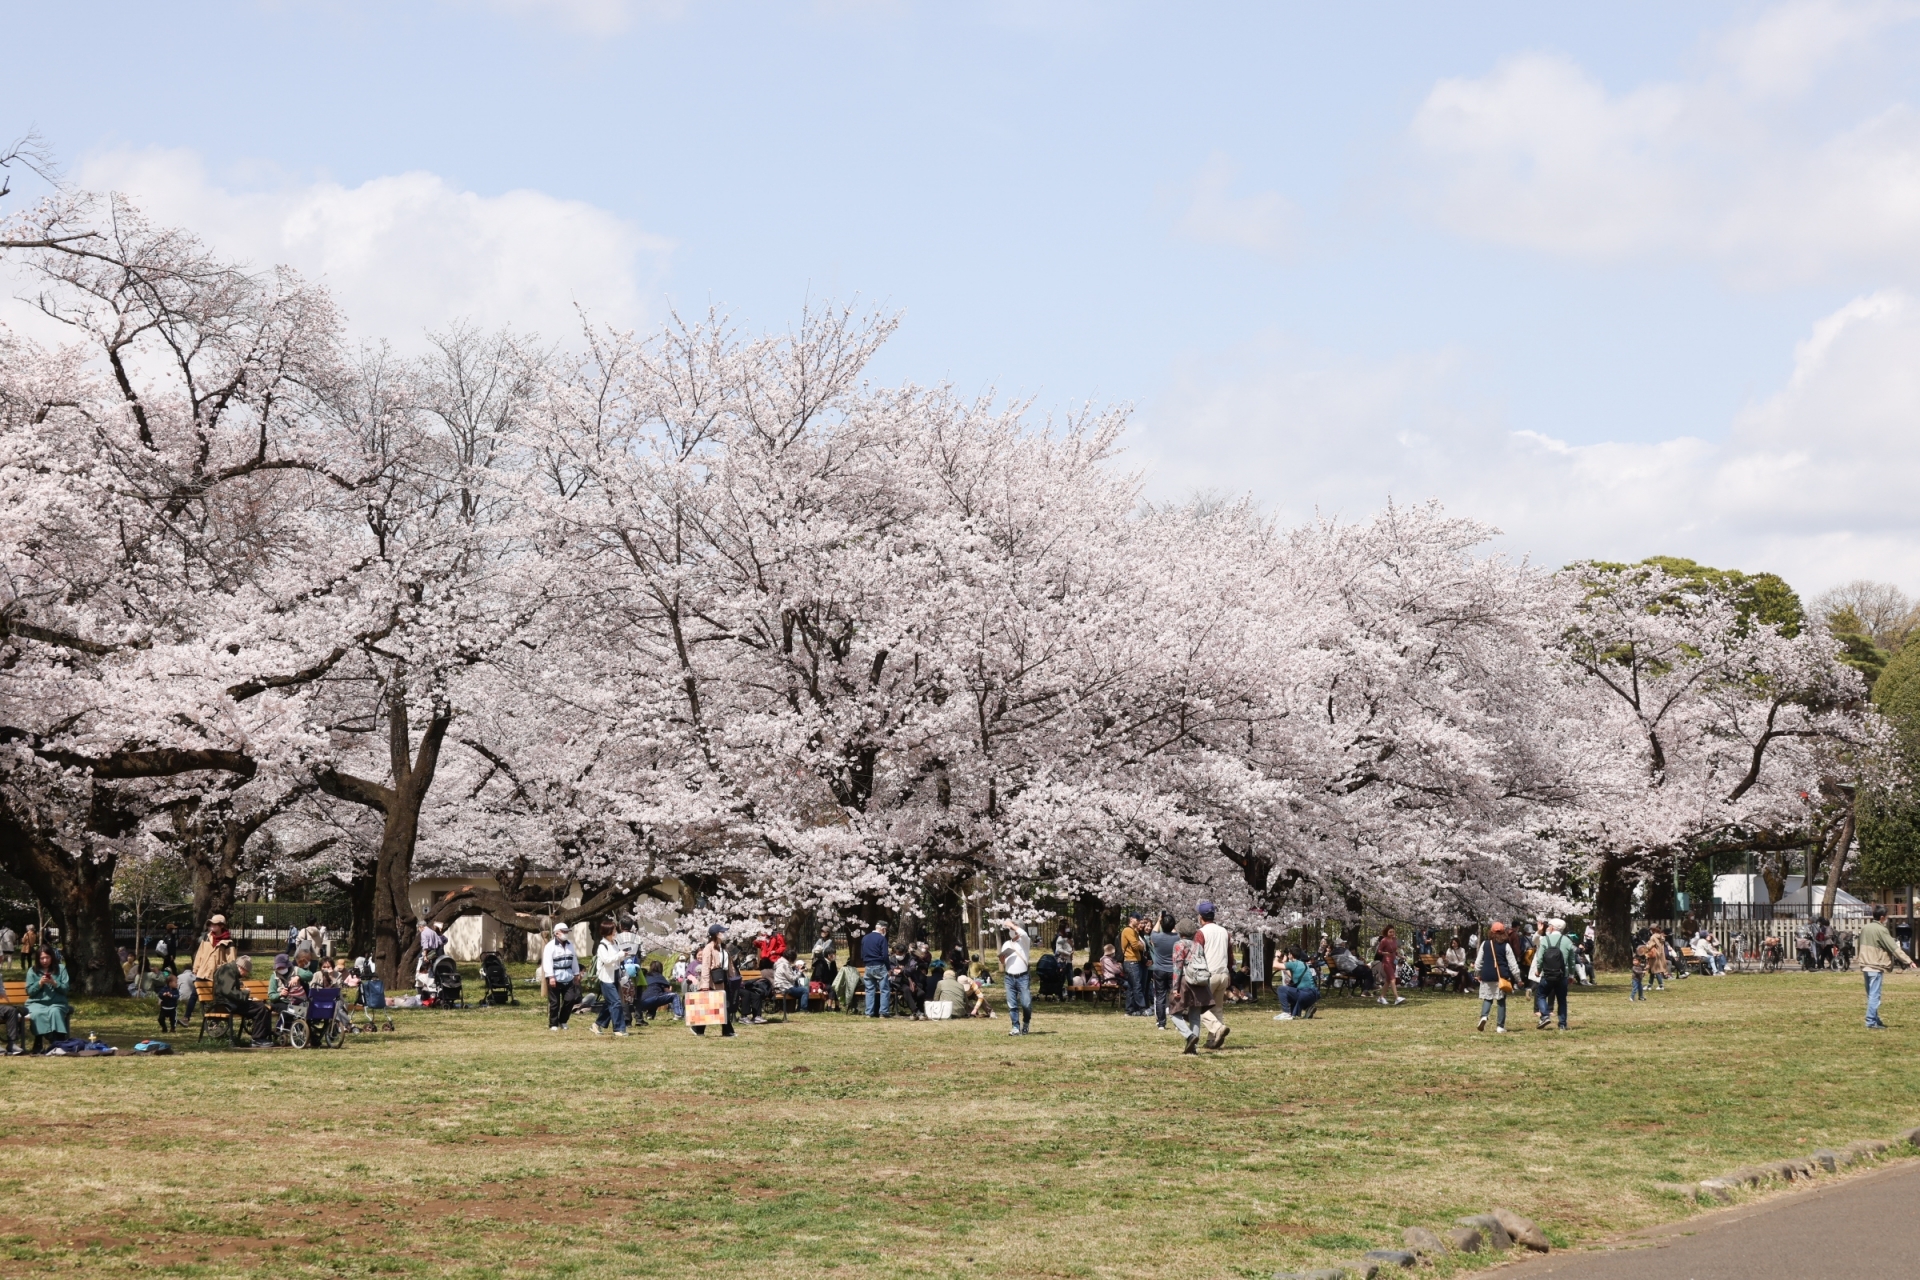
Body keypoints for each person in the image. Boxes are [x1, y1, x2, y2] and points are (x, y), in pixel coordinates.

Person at [1169, 917, 1227, 1053]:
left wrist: (1175, 988)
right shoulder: (1198, 945)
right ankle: (1192, 1049)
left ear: (1180, 932)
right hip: (1199, 982)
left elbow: (1177, 967)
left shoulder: (1179, 945)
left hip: (1184, 981)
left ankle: (1190, 1036)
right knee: (1195, 1015)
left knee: (1173, 1013)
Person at [1857, 905, 1913, 1029]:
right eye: (1886, 916)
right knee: (1874, 995)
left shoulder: (1865, 928)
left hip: (1865, 964)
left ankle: (1875, 1019)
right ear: (1882, 917)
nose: (1887, 918)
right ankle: (1871, 1022)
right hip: (1876, 965)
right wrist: (1908, 960)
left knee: (1871, 994)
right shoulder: (1881, 929)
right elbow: (1893, 947)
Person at [212, 953, 272, 1047]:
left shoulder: (230, 971)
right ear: (241, 968)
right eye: (246, 971)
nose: (246, 974)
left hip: (229, 1002)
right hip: (225, 1004)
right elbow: (228, 992)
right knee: (260, 1008)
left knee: (262, 1007)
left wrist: (249, 998)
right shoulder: (228, 971)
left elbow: (231, 992)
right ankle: (257, 1039)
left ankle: (264, 1037)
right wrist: (245, 993)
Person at [1529, 917, 1576, 1030]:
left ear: (1552, 927)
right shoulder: (1567, 941)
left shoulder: (1545, 940)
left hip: (1547, 974)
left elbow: (1540, 958)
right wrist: (1571, 975)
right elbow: (1572, 961)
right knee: (1562, 1000)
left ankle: (1545, 1015)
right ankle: (1563, 1024)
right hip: (1562, 975)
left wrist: (1539, 970)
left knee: (1541, 995)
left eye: (1549, 926)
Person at [1195, 901, 1231, 1047]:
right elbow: (1230, 954)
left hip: (1208, 974)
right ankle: (1212, 1040)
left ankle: (1217, 1028)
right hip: (1223, 973)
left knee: (1198, 1007)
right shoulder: (1224, 931)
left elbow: (1196, 954)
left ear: (1201, 917)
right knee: (1217, 1008)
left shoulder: (1201, 933)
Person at [1475, 923, 1521, 1034]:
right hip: (1501, 976)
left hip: (1486, 975)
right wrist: (1518, 979)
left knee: (1488, 998)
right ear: (1503, 933)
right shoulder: (1506, 946)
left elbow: (1478, 962)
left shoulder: (1485, 944)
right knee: (1501, 1001)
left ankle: (1484, 1016)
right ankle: (1500, 1026)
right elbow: (1513, 964)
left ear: (1491, 932)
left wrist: (1477, 973)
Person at [694, 923, 737, 1037]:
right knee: (712, 1005)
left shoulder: (723, 947)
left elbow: (729, 964)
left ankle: (700, 1029)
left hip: (724, 978)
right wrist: (705, 984)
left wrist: (733, 977)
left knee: (720, 1005)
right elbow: (705, 966)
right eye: (721, 932)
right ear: (716, 934)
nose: (724, 934)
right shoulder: (709, 947)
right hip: (713, 980)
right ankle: (725, 1031)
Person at [539, 922, 582, 1031]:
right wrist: (551, 977)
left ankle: (563, 1020)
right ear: (556, 933)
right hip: (555, 976)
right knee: (555, 1003)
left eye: (567, 932)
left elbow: (574, 959)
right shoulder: (550, 946)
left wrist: (576, 973)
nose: (566, 934)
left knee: (570, 999)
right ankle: (553, 1023)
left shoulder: (570, 945)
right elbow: (547, 962)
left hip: (568, 976)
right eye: (564, 932)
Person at [592, 919, 630, 1037]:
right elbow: (607, 961)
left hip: (615, 975)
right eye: (613, 930)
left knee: (610, 1004)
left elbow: (616, 959)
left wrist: (623, 956)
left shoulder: (615, 943)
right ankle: (618, 1029)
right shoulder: (602, 946)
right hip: (606, 978)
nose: (615, 932)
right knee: (616, 1002)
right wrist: (619, 955)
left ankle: (596, 1025)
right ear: (607, 931)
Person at [1000, 923, 1032, 1036]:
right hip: (1009, 977)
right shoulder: (1006, 944)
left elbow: (1023, 933)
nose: (1011, 930)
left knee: (1026, 1003)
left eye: (1013, 928)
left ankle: (1026, 1023)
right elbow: (1004, 961)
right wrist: (1002, 960)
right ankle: (1015, 1027)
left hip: (1023, 977)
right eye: (1010, 929)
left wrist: (1011, 924)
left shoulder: (1025, 942)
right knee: (1012, 1004)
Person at [1147, 911, 1178, 1029]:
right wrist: (1171, 924)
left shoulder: (1156, 937)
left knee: (1160, 996)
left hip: (1159, 970)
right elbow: (1174, 931)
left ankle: (1161, 1023)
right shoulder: (1177, 938)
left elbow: (1154, 930)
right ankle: (1176, 1022)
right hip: (1173, 971)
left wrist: (1159, 920)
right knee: (1174, 996)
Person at [1273, 947, 1319, 1021]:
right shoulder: (1302, 964)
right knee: (1291, 991)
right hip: (1313, 994)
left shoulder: (1293, 964)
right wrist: (1283, 962)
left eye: (1289, 954)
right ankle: (1308, 1008)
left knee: (1281, 989)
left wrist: (1277, 956)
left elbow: (1275, 965)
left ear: (1291, 955)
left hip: (1305, 993)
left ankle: (1286, 1013)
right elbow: (1293, 976)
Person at [859, 922, 892, 1018]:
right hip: (879, 965)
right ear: (883, 929)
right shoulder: (882, 939)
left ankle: (869, 1012)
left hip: (868, 965)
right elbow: (885, 955)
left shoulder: (865, 938)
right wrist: (888, 968)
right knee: (885, 989)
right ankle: (883, 1012)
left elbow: (862, 954)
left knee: (869, 990)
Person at [1120, 915, 1150, 1016]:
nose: (1138, 922)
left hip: (1135, 960)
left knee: (1132, 986)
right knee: (1137, 985)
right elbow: (1136, 945)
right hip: (1131, 961)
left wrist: (1141, 945)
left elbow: (1141, 945)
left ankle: (1130, 1010)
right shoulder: (1128, 930)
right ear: (1131, 919)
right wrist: (1141, 946)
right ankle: (1142, 1008)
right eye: (1137, 920)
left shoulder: (1134, 931)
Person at [192, 914, 235, 981]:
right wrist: (195, 968)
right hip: (202, 973)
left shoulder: (228, 942)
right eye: (211, 923)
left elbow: (231, 960)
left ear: (222, 926)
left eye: (215, 924)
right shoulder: (206, 937)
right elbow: (199, 954)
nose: (212, 925)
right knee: (199, 990)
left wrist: (230, 975)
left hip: (218, 976)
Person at [1376, 925, 1406, 1006]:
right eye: (1390, 932)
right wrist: (1384, 953)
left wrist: (1401, 956)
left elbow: (1394, 951)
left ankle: (1381, 997)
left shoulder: (1394, 940)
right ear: (1386, 932)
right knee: (1393, 979)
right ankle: (1396, 997)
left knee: (1388, 981)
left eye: (1393, 932)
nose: (1392, 933)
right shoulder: (1384, 940)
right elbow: (1379, 950)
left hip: (1393, 961)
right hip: (1386, 961)